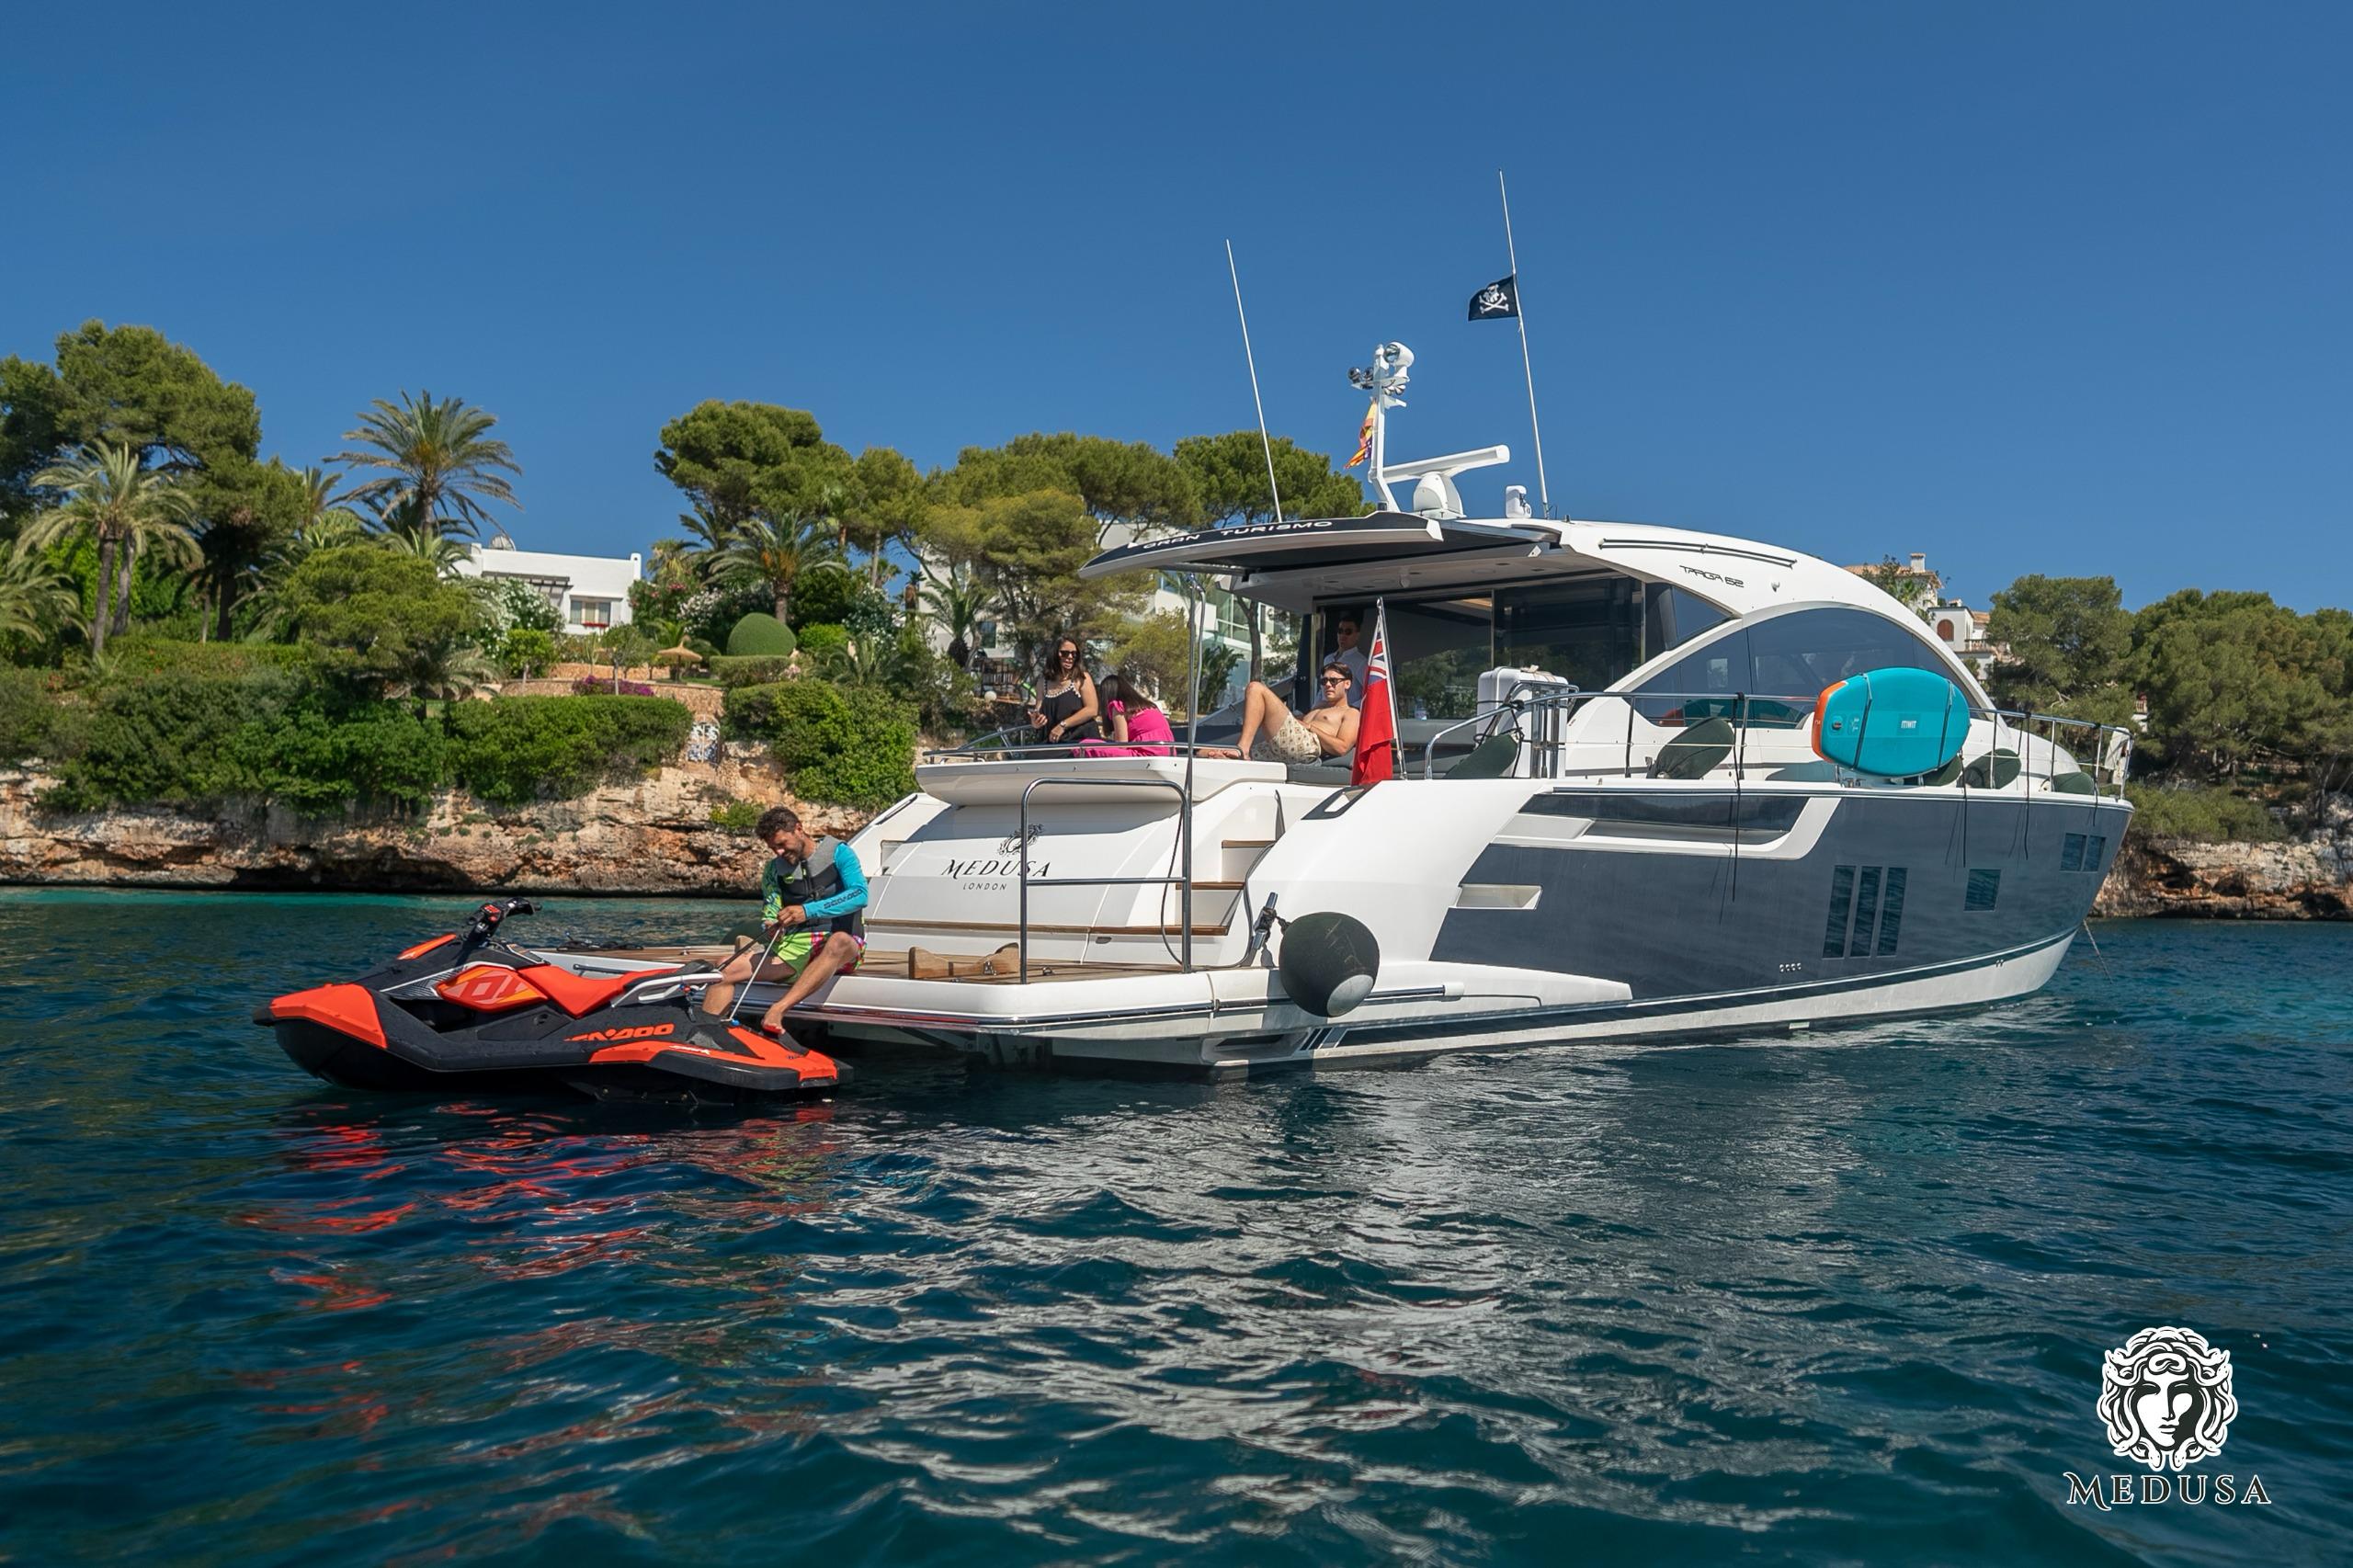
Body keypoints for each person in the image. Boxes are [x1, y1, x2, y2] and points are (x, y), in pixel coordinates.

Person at [700, 804, 867, 1034]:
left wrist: (808, 911)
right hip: (794, 949)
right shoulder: (773, 871)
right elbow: (770, 909)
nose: (778, 852)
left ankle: (778, 1009)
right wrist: (769, 926)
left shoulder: (840, 853)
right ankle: (707, 1036)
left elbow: (860, 894)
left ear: (798, 829)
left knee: (838, 940)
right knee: (725, 967)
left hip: (843, 948)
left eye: (781, 844)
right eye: (772, 848)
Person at [1217, 661, 1358, 764]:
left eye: (1333, 681)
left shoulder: (1351, 713)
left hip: (1306, 746)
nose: (1328, 684)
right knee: (1208, 753)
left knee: (1255, 688)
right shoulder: (1319, 706)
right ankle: (1239, 752)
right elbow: (1295, 721)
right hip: (1288, 743)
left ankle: (1243, 747)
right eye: (1324, 681)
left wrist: (1310, 728)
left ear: (1347, 684)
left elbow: (1342, 747)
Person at [1076, 673, 1175, 757]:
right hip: (1169, 753)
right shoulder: (1148, 706)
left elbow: (1121, 745)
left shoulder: (1118, 706)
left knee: (1085, 745)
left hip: (1147, 754)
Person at [1029, 636, 1100, 746]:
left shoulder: (1081, 678)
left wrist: (1063, 725)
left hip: (1078, 742)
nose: (1070, 657)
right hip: (1050, 742)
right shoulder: (1042, 683)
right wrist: (1036, 721)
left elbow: (1092, 710)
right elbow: (1038, 709)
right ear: (1054, 654)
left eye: (1074, 654)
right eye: (1065, 653)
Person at [1329, 608, 1369, 707]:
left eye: (1348, 631)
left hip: (1348, 718)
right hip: (1327, 715)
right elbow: (1321, 692)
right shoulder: (1328, 659)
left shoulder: (1361, 662)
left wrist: (1350, 709)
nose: (1343, 635)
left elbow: (1370, 693)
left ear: (1357, 635)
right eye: (1340, 631)